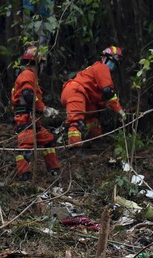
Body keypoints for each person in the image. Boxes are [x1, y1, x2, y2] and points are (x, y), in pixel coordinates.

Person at [60, 46, 126, 146]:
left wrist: (106, 105)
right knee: (76, 122)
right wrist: (119, 110)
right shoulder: (102, 67)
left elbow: (98, 95)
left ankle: (96, 141)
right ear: (105, 58)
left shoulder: (95, 68)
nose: (113, 66)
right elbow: (108, 91)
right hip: (76, 92)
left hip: (81, 95)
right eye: (112, 62)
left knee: (92, 117)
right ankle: (75, 147)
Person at [11, 45, 61, 177]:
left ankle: (54, 170)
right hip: (25, 118)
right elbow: (28, 94)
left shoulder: (30, 76)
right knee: (26, 146)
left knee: (48, 140)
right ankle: (24, 176)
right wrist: (43, 109)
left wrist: (47, 109)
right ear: (38, 63)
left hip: (33, 119)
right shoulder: (27, 74)